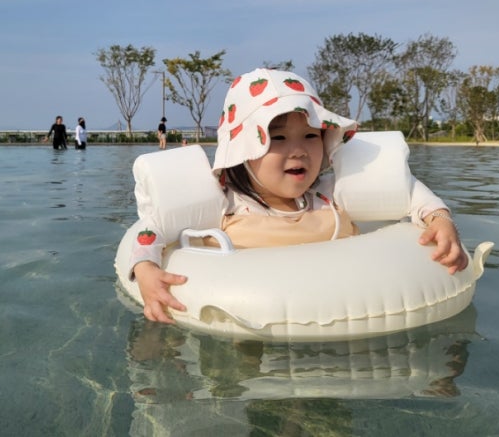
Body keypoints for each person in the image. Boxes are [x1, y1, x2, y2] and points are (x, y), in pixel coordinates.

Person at [129, 68, 467, 324]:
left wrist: (439, 218)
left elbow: (409, 193)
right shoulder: (224, 204)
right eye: (276, 138)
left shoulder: (332, 194)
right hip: (249, 319)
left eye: (310, 136)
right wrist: (145, 268)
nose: (299, 150)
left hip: (344, 311)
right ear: (242, 151)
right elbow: (153, 228)